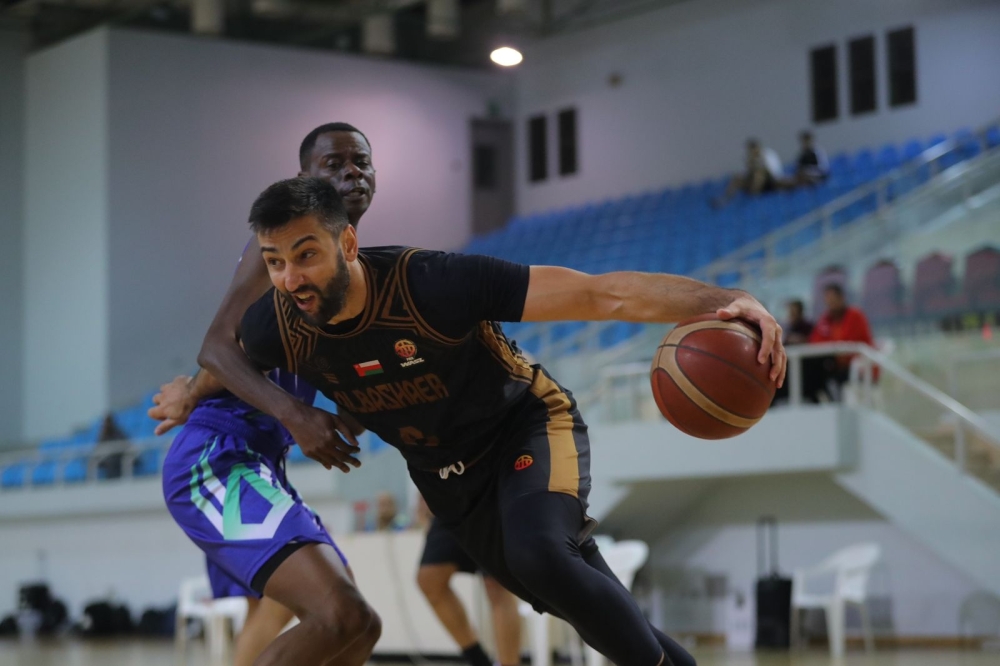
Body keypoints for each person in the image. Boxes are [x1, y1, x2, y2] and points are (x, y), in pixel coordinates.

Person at [216, 176, 785, 666]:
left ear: (347, 242)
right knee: (585, 606)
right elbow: (221, 362)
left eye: (306, 255)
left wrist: (728, 298)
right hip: (447, 481)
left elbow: (600, 296)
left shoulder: (431, 283)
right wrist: (286, 412)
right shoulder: (276, 325)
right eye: (275, 262)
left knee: (538, 555)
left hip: (524, 427)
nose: (290, 279)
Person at [150, 123, 380, 666]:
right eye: (334, 164)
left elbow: (348, 396)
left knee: (359, 627)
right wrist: (295, 415)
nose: (352, 172)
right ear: (304, 179)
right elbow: (218, 347)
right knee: (339, 616)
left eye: (361, 161)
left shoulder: (352, 268)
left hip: (263, 460)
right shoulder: (281, 245)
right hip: (219, 457)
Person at [418, 499, 522, 666]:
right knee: (429, 578)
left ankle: (509, 663)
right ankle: (479, 662)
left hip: (491, 497)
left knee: (496, 583)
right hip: (450, 500)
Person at [809, 284, 876, 398]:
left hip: (857, 365)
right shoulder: (826, 319)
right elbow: (815, 341)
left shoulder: (855, 316)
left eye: (833, 300)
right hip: (835, 365)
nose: (830, 304)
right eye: (828, 301)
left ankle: (836, 402)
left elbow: (850, 343)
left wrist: (830, 345)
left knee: (827, 376)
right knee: (813, 373)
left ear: (841, 298)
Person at [714, 138, 784, 207]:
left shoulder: (768, 155)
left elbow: (776, 172)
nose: (752, 152)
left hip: (769, 183)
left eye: (753, 149)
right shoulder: (749, 158)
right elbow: (745, 173)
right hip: (752, 183)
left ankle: (754, 200)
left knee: (759, 175)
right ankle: (726, 199)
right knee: (737, 179)